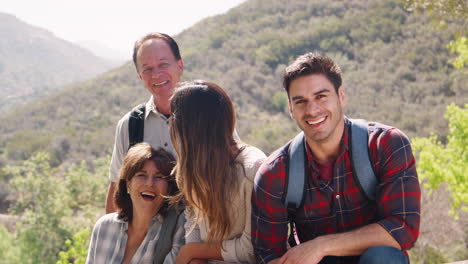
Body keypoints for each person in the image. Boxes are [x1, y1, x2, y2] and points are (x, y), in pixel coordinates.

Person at [251, 53, 421, 264]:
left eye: (321, 96)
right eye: (300, 101)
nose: (312, 110)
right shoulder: (275, 174)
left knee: (382, 257)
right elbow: (267, 255)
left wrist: (320, 246)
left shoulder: (385, 145)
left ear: (341, 96)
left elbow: (403, 228)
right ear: (290, 109)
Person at [170, 81, 266, 264]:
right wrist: (195, 257)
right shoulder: (191, 166)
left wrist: (192, 251)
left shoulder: (253, 169)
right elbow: (194, 225)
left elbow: (251, 247)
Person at [106, 33, 184, 213]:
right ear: (140, 76)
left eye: (163, 64)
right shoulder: (130, 124)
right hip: (143, 235)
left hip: (198, 235)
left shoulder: (206, 116)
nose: (156, 74)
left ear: (180, 66)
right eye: (147, 69)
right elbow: (117, 186)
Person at [87, 143, 185, 264]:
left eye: (159, 177)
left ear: (169, 188)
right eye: (141, 175)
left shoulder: (177, 228)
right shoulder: (104, 226)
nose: (150, 183)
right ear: (128, 184)